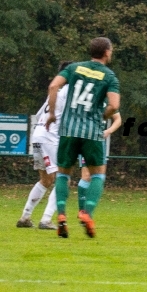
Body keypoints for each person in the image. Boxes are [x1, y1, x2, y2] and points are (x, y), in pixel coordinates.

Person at [45, 37, 120, 238]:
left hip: (68, 130)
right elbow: (114, 106)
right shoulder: (109, 76)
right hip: (92, 132)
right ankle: (86, 213)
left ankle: (61, 216)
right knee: (98, 174)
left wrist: (52, 114)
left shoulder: (74, 68)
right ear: (106, 52)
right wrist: (101, 116)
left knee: (63, 173)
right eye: (111, 50)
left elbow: (53, 87)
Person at [17, 61, 73, 230]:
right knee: (64, 179)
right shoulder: (68, 91)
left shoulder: (54, 95)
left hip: (38, 135)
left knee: (46, 179)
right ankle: (46, 219)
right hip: (50, 138)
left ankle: (25, 217)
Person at [77, 110, 122, 216]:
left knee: (98, 176)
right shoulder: (85, 98)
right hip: (85, 140)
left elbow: (118, 119)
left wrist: (108, 131)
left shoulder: (107, 101)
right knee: (86, 175)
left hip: (99, 143)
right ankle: (82, 210)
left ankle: (87, 211)